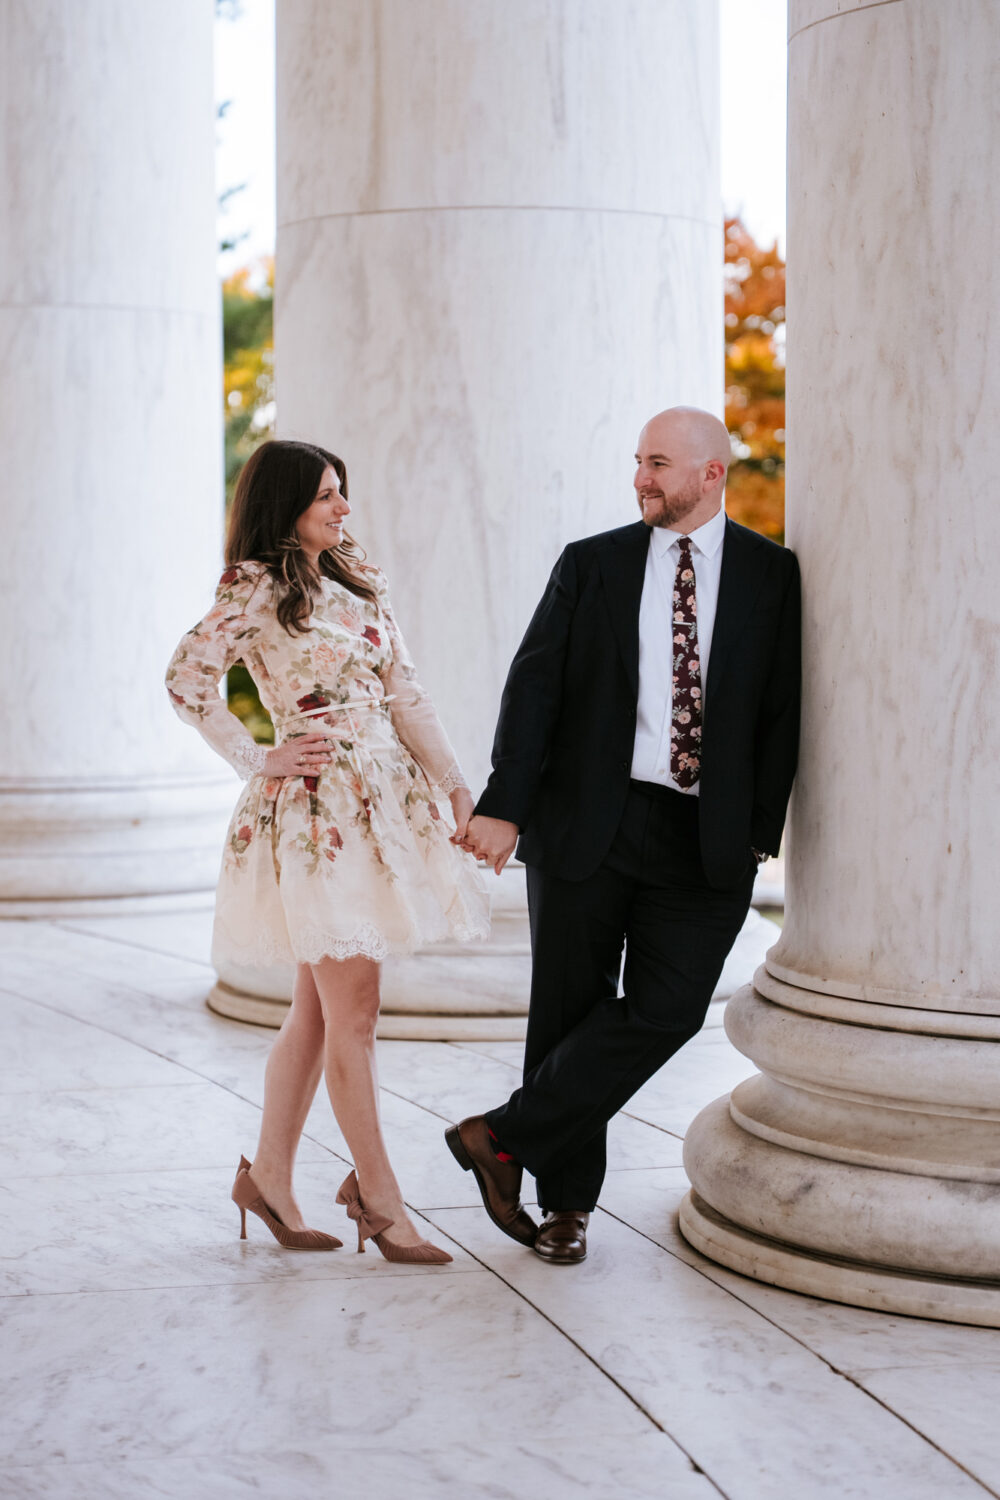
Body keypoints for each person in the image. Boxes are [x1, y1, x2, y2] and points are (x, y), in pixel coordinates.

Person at [445, 406, 800, 1264]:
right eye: (639, 460)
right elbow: (533, 692)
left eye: (660, 463)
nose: (642, 477)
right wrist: (504, 803)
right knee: (567, 1009)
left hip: (704, 836)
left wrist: (756, 831)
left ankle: (500, 1135)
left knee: (671, 1007)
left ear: (711, 475)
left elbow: (782, 712)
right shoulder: (592, 565)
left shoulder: (771, 575)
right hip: (587, 823)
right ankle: (567, 1208)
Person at [167, 439, 488, 1263]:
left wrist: (454, 783)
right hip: (317, 817)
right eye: (324, 498)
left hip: (382, 804)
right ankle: (381, 1201)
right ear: (285, 509)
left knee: (316, 1013)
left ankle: (269, 1178)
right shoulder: (257, 588)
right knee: (356, 1014)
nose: (343, 509)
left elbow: (405, 692)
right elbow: (186, 681)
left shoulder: (358, 579)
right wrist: (258, 755)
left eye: (342, 492)